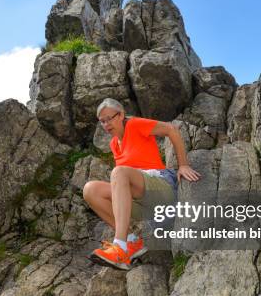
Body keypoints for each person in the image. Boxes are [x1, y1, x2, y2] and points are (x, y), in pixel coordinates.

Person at [83, 98, 201, 270]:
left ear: (121, 114)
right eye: (102, 121)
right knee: (90, 189)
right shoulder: (114, 144)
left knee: (119, 172)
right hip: (142, 202)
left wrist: (183, 164)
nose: (107, 124)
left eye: (110, 118)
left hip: (161, 187)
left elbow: (171, 129)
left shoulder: (134, 125)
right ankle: (131, 242)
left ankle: (120, 246)